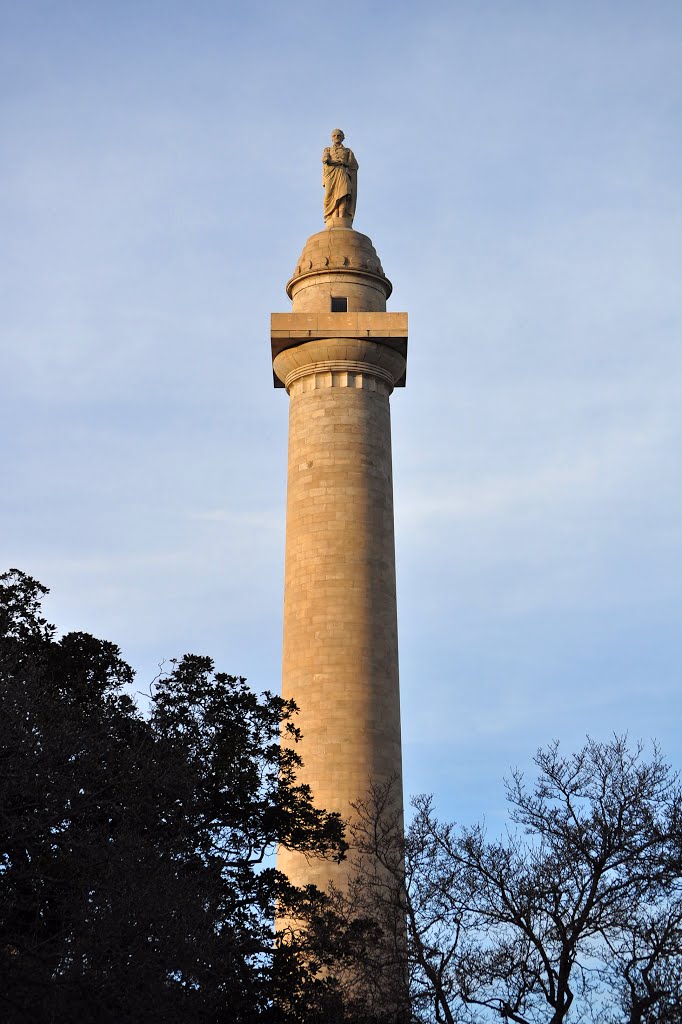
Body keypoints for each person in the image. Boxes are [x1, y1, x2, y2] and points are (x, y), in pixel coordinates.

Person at [322, 129, 358, 226]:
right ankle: (331, 216)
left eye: (339, 135)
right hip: (331, 175)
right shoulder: (327, 149)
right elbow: (325, 159)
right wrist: (340, 162)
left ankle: (341, 216)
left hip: (343, 173)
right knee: (329, 195)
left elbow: (353, 165)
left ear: (343, 137)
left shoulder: (348, 151)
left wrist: (344, 163)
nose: (336, 137)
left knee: (344, 194)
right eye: (334, 136)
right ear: (332, 138)